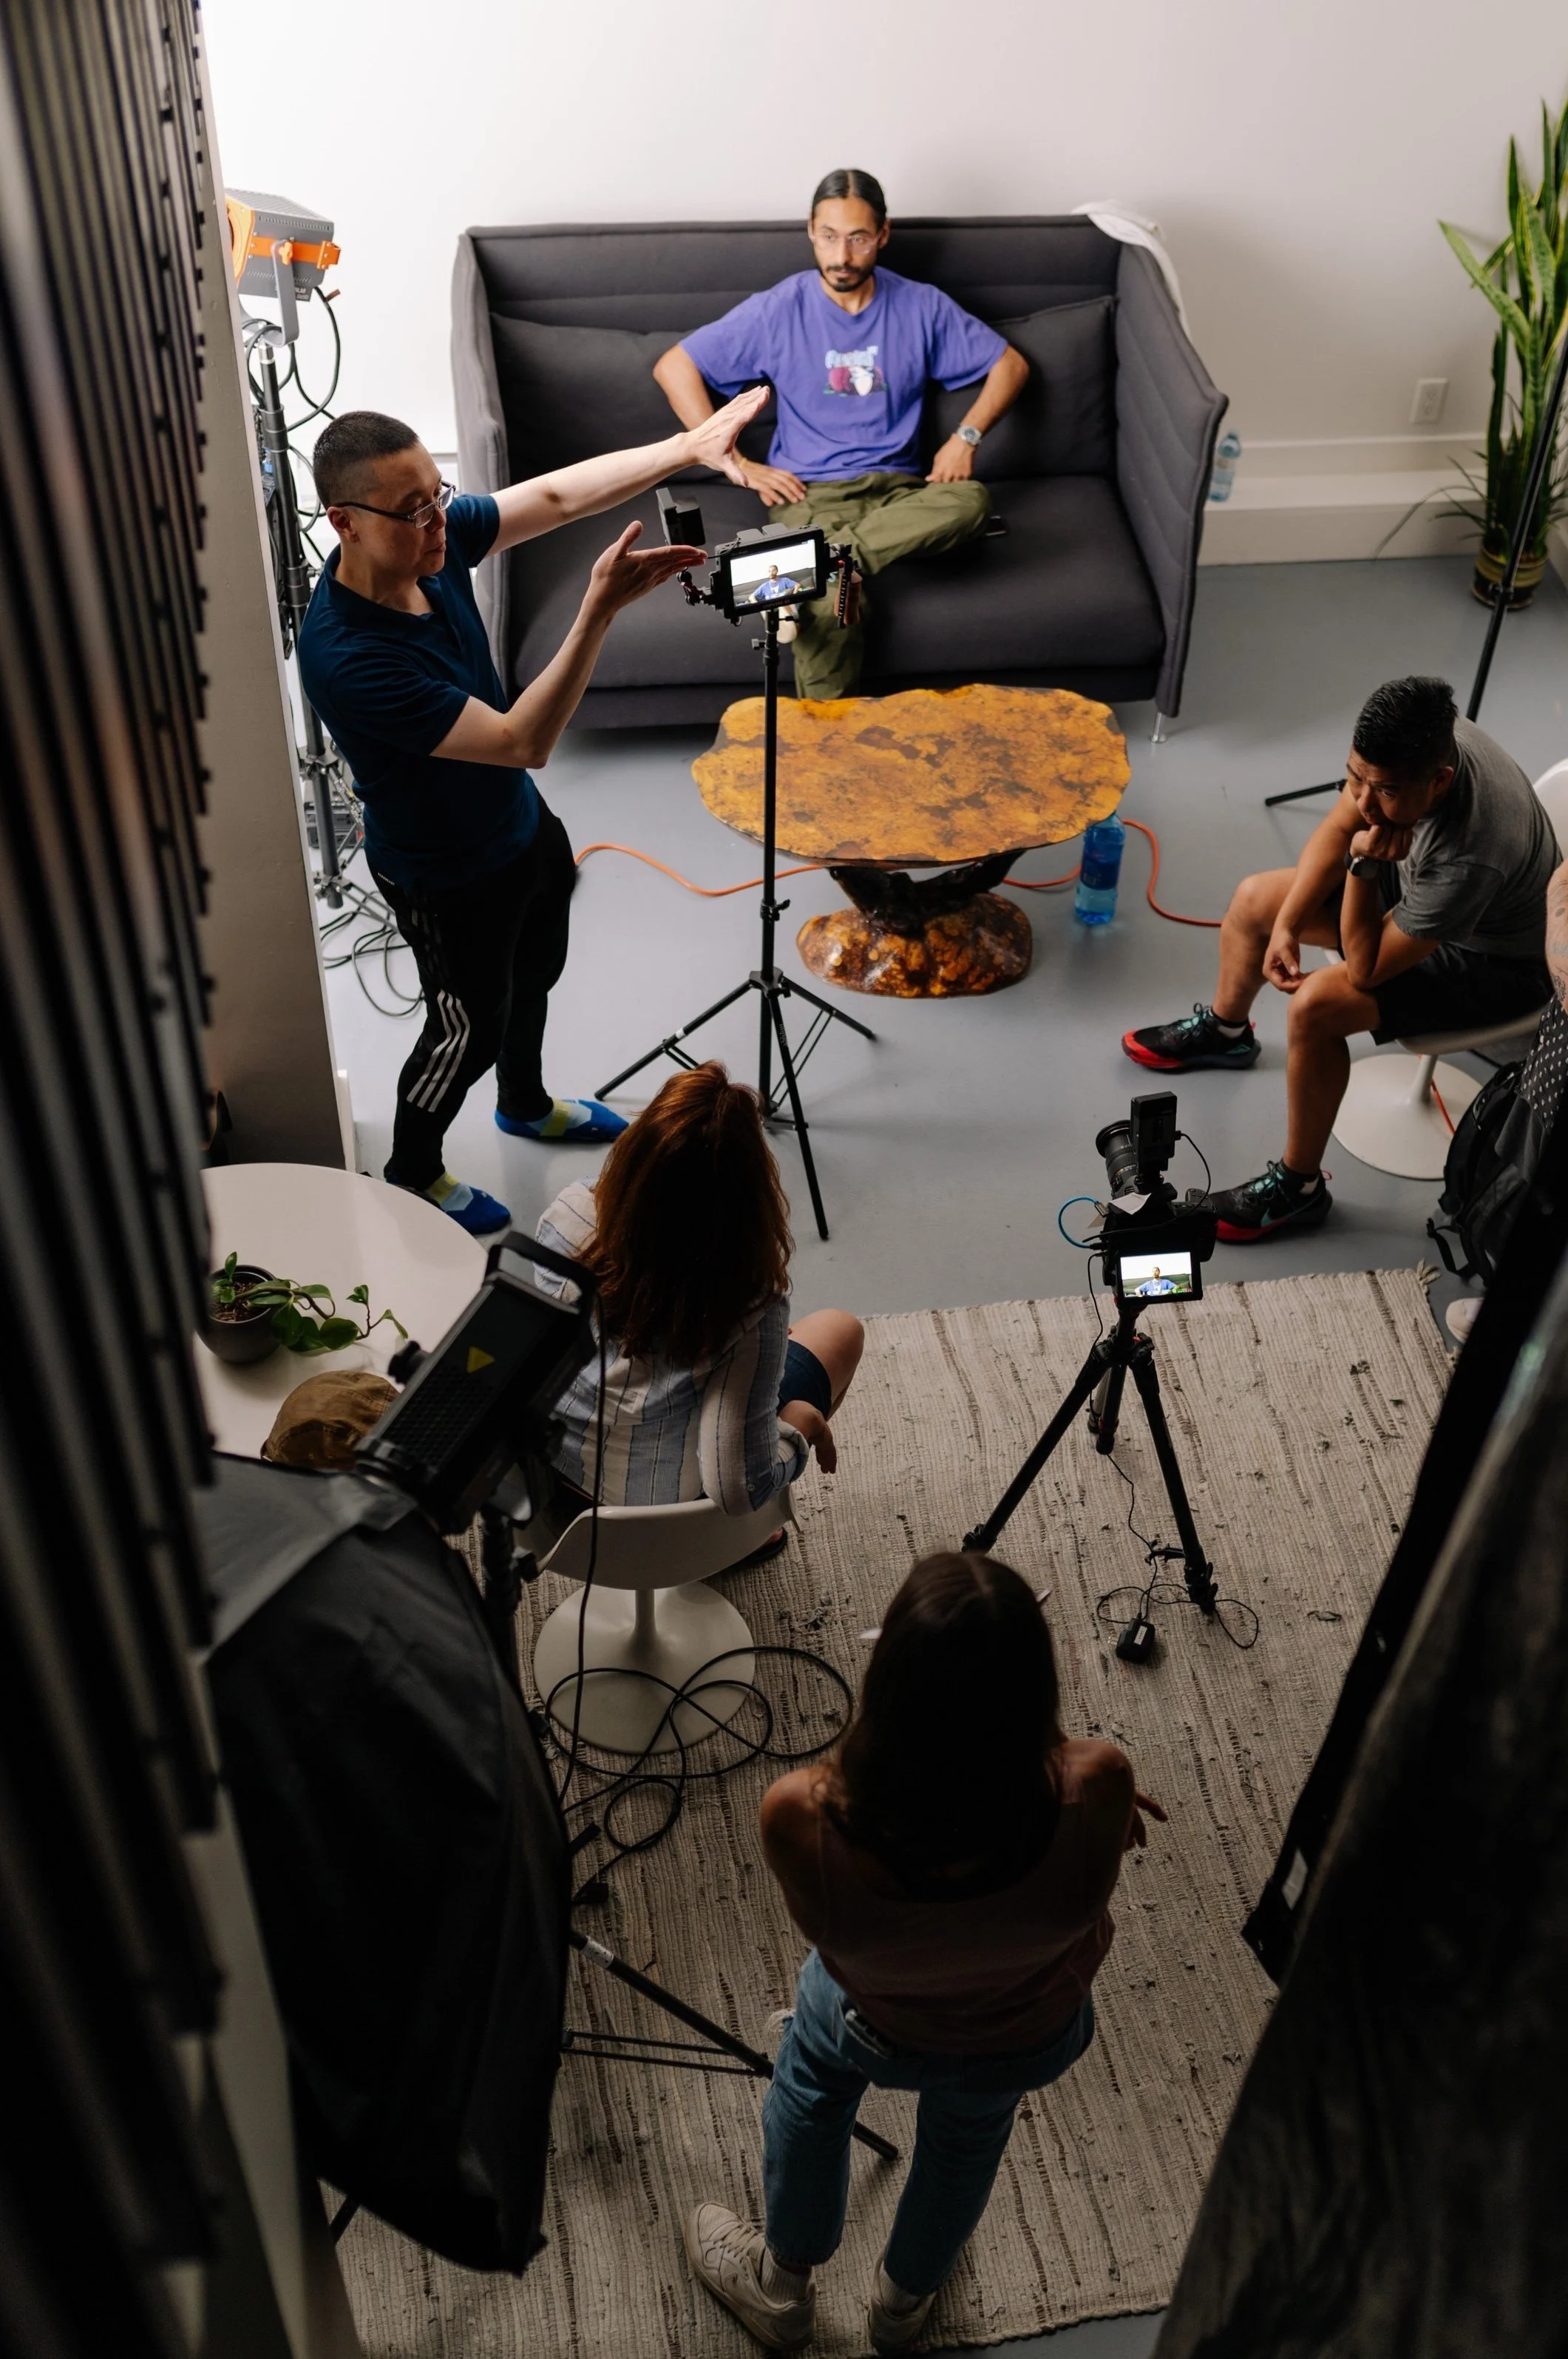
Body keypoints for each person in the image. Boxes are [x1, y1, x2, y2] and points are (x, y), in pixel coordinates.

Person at [297, 387, 764, 1233]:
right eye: (413, 512)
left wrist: (686, 446)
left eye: (439, 497)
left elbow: (550, 497)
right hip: (444, 873)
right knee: (463, 1029)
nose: (441, 523)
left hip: (519, 827)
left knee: (536, 973)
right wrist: (597, 610)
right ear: (345, 523)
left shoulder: (427, 542)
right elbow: (522, 740)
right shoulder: (348, 655)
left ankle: (525, 1102)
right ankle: (414, 1166)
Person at [683, 1550, 1162, 2353]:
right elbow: (1068, 1768)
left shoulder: (800, 1813)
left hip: (876, 2024)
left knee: (811, 2083)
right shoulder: (1102, 1782)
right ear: (1037, 1689)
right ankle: (904, 2306)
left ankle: (782, 2285)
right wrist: (1073, 1779)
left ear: (887, 1682)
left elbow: (826, 1934)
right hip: (1027, 2031)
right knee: (970, 2136)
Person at [1124, 677, 1558, 1242]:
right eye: (1354, 778)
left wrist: (1362, 867)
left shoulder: (1470, 852)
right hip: (1420, 897)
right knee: (1256, 899)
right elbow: (1338, 827)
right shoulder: (1415, 743)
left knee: (1316, 1006)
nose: (1362, 801)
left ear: (1439, 782)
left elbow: (1364, 969)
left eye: (1380, 791)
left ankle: (1297, 1191)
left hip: (1495, 962)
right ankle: (1227, 1031)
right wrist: (1283, 925)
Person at [652, 168, 1029, 701]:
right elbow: (674, 366)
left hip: (900, 493)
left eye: (856, 239)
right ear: (810, 230)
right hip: (809, 495)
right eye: (828, 237)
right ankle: (826, 754)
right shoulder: (778, 309)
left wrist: (965, 437)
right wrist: (730, 458)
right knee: (831, 601)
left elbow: (1010, 365)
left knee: (970, 501)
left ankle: (820, 556)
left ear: (882, 235)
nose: (841, 256)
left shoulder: (920, 305)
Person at [536, 1061, 862, 1517]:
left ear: (636, 1154)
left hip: (540, 1483)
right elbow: (737, 1488)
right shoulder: (749, 1305)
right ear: (749, 1195)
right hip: (657, 1524)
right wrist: (795, 1430)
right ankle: (751, 1536)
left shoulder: (569, 1211)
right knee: (840, 1330)